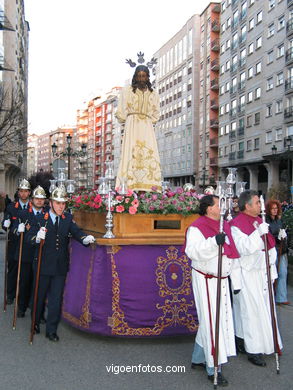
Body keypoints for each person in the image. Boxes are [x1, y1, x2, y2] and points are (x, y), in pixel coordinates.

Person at [184, 195, 241, 386]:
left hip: (222, 280)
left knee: (214, 321)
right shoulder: (196, 227)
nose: (223, 207)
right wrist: (213, 242)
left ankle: (198, 357)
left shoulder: (223, 225)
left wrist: (237, 281)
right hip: (206, 279)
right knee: (212, 322)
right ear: (209, 208)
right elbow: (193, 252)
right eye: (219, 204)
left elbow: (232, 253)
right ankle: (213, 368)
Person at [27, 187, 95, 341]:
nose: (61, 206)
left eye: (63, 204)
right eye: (58, 203)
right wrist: (36, 238)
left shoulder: (67, 218)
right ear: (50, 203)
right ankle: (35, 322)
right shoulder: (39, 218)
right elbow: (28, 239)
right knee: (39, 296)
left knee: (56, 299)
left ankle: (51, 330)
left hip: (60, 266)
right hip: (42, 265)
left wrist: (84, 239)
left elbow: (76, 232)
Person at [230, 190, 283, 367]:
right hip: (247, 272)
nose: (261, 206)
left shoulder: (259, 221)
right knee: (249, 311)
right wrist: (257, 234)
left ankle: (248, 341)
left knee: (260, 309)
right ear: (247, 205)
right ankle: (252, 348)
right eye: (257, 203)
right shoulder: (235, 224)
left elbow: (269, 246)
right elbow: (243, 248)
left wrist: (271, 258)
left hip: (261, 272)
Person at [115, 65, 162, 192]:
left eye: (144, 76)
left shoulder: (154, 94)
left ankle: (149, 186)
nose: (141, 79)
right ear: (135, 77)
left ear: (148, 77)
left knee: (149, 153)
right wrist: (130, 118)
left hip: (147, 127)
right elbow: (120, 112)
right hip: (132, 126)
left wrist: (147, 119)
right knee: (130, 153)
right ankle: (128, 186)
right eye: (139, 76)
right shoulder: (127, 91)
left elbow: (156, 114)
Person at [12, 186, 47, 317]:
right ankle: (21, 307)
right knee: (24, 282)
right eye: (37, 198)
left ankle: (38, 312)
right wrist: (18, 229)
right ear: (32, 199)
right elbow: (14, 229)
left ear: (44, 200)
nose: (39, 201)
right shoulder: (23, 213)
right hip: (25, 253)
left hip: (41, 254)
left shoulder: (47, 214)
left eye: (41, 199)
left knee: (39, 285)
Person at [2, 178, 31, 305]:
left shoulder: (33, 206)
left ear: (29, 193)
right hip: (14, 243)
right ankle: (10, 294)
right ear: (18, 192)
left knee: (28, 272)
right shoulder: (11, 206)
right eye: (21, 191)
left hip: (29, 244)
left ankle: (26, 297)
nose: (23, 193)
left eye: (26, 191)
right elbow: (5, 224)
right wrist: (5, 224)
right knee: (13, 270)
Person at [265, 199, 289, 305]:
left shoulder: (279, 220)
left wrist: (283, 236)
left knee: (283, 273)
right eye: (272, 209)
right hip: (273, 249)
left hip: (281, 249)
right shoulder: (266, 221)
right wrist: (277, 237)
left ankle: (281, 297)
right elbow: (268, 235)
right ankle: (270, 296)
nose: (275, 211)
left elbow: (282, 230)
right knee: (272, 274)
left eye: (276, 208)